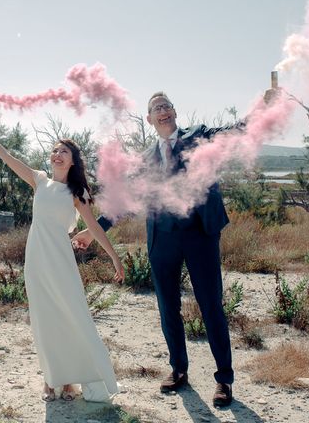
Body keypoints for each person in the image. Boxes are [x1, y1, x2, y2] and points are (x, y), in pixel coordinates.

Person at [72, 90, 272, 407]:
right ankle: (178, 370)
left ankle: (224, 380)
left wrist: (263, 108)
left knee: (211, 306)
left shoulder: (199, 136)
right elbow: (126, 201)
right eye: (156, 108)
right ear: (149, 120)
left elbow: (235, 132)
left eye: (166, 106)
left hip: (200, 234)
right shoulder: (146, 159)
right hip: (162, 237)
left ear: (174, 112)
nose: (162, 111)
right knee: (168, 308)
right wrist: (94, 231)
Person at [0, 114, 124, 403]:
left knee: (73, 317)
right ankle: (53, 382)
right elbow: (7, 157)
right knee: (44, 320)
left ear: (73, 161)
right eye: (55, 150)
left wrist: (115, 258)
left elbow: (95, 227)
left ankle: (75, 380)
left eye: (65, 151)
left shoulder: (77, 192)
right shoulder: (39, 179)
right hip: (36, 259)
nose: (58, 154)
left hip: (61, 261)